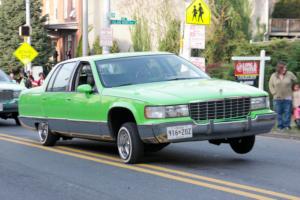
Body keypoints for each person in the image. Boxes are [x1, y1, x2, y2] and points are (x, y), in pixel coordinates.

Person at [269, 61, 297, 130]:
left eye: (285, 68)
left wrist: (294, 89)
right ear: (279, 68)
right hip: (277, 97)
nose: (285, 69)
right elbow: (270, 85)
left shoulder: (290, 74)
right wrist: (274, 93)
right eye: (283, 68)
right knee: (278, 112)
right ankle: (280, 125)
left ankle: (287, 125)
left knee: (287, 112)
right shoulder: (273, 75)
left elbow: (296, 81)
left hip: (288, 97)